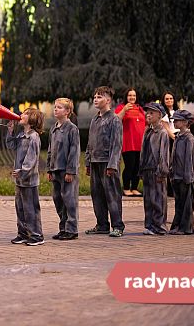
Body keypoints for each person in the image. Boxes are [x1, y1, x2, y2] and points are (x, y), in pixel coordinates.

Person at [84, 86, 125, 238]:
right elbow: (90, 143)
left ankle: (117, 226)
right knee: (97, 195)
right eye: (94, 96)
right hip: (95, 162)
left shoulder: (114, 120)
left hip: (108, 163)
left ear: (108, 100)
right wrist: (88, 162)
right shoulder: (95, 119)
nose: (95, 99)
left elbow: (116, 145)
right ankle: (102, 225)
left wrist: (113, 165)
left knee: (112, 195)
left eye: (99, 97)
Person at [7, 107, 45, 246]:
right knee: (20, 208)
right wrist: (10, 131)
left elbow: (32, 158)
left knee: (31, 209)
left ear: (32, 119)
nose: (21, 115)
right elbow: (11, 145)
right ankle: (23, 233)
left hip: (29, 180)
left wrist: (22, 171)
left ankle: (36, 236)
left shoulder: (34, 137)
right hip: (20, 179)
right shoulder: (21, 135)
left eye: (25, 113)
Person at [47, 98, 80, 241]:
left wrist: (70, 171)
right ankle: (63, 227)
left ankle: (72, 229)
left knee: (69, 200)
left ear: (67, 111)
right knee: (58, 199)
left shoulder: (72, 129)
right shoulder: (53, 129)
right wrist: (49, 169)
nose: (56, 109)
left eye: (59, 107)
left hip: (66, 171)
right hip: (55, 170)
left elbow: (74, 151)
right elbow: (50, 150)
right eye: (55, 107)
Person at [139, 103, 170, 235]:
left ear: (160, 115)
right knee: (148, 199)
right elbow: (143, 151)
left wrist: (162, 171)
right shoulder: (148, 131)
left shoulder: (162, 133)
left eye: (152, 113)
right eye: (148, 112)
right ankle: (150, 224)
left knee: (158, 198)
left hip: (157, 170)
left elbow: (163, 154)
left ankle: (159, 226)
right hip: (147, 169)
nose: (148, 115)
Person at [169, 110, 194, 235]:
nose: (174, 122)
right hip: (177, 175)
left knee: (186, 204)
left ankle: (186, 227)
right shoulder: (178, 137)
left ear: (185, 122)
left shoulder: (189, 139)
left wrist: (188, 177)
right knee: (179, 203)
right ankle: (177, 225)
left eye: (177, 120)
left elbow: (189, 160)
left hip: (186, 177)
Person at [114, 88, 145, 197]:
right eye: (130, 95)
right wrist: (124, 110)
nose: (132, 97)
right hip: (128, 142)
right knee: (129, 166)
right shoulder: (121, 107)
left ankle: (135, 188)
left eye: (134, 96)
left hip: (139, 143)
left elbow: (145, 123)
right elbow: (116, 120)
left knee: (137, 166)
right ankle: (126, 188)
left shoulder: (140, 108)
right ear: (126, 97)